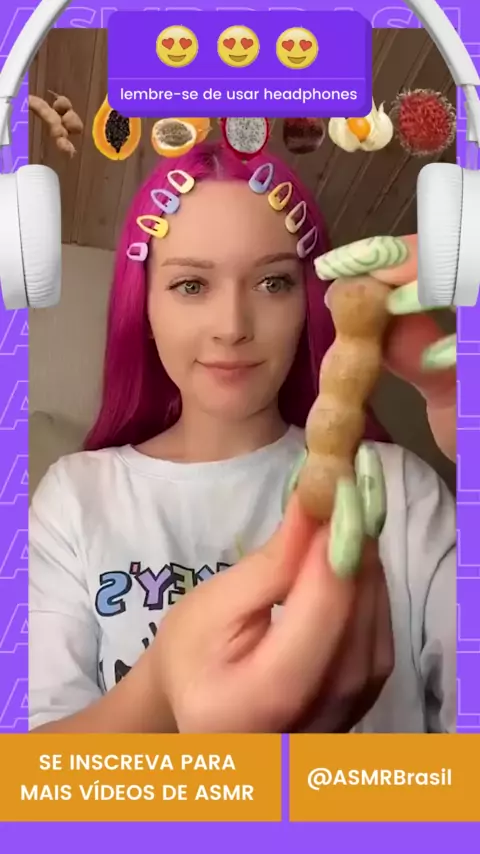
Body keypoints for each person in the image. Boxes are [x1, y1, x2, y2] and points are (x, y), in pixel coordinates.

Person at [29, 142, 456, 735]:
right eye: (191, 285)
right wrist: (159, 692)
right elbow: (31, 770)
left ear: (308, 304)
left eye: (273, 282)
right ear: (143, 308)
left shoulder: (398, 488)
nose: (232, 327)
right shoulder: (76, 496)